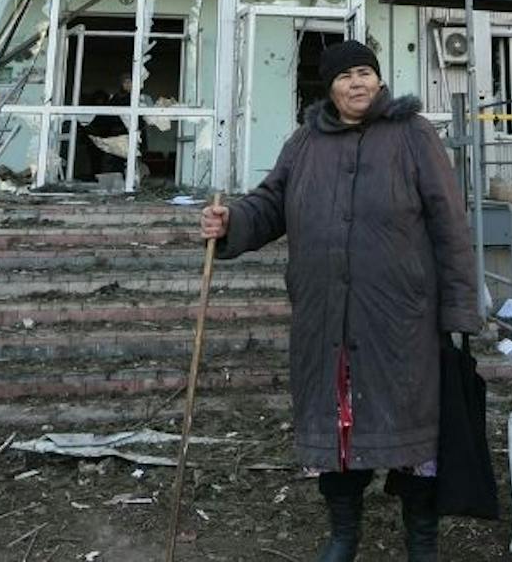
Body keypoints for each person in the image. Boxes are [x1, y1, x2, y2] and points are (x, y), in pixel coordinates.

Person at [201, 40, 478, 562]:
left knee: (412, 437)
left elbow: (450, 223)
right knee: (339, 431)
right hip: (326, 321)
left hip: (401, 322)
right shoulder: (306, 141)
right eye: (346, 75)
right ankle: (343, 534)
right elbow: (272, 203)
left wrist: (459, 310)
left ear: (379, 81)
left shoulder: (414, 135)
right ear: (327, 88)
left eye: (366, 73)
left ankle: (422, 540)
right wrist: (233, 222)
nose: (358, 83)